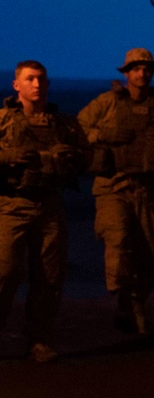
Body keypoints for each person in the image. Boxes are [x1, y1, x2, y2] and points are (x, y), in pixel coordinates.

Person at [77, 48, 154, 335]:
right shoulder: (107, 103)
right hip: (114, 186)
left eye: (146, 68)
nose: (142, 73)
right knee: (118, 237)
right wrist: (103, 135)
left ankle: (135, 304)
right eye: (136, 69)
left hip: (148, 189)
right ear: (126, 74)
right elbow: (77, 130)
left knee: (147, 251)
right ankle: (120, 295)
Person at [0, 61, 87, 362]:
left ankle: (40, 340)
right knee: (5, 272)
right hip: (11, 204)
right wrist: (9, 156)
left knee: (49, 277)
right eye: (30, 79)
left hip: (49, 204)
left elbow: (88, 158)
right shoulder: (3, 121)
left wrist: (69, 157)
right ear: (16, 85)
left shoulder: (62, 124)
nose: (36, 85)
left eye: (41, 80)